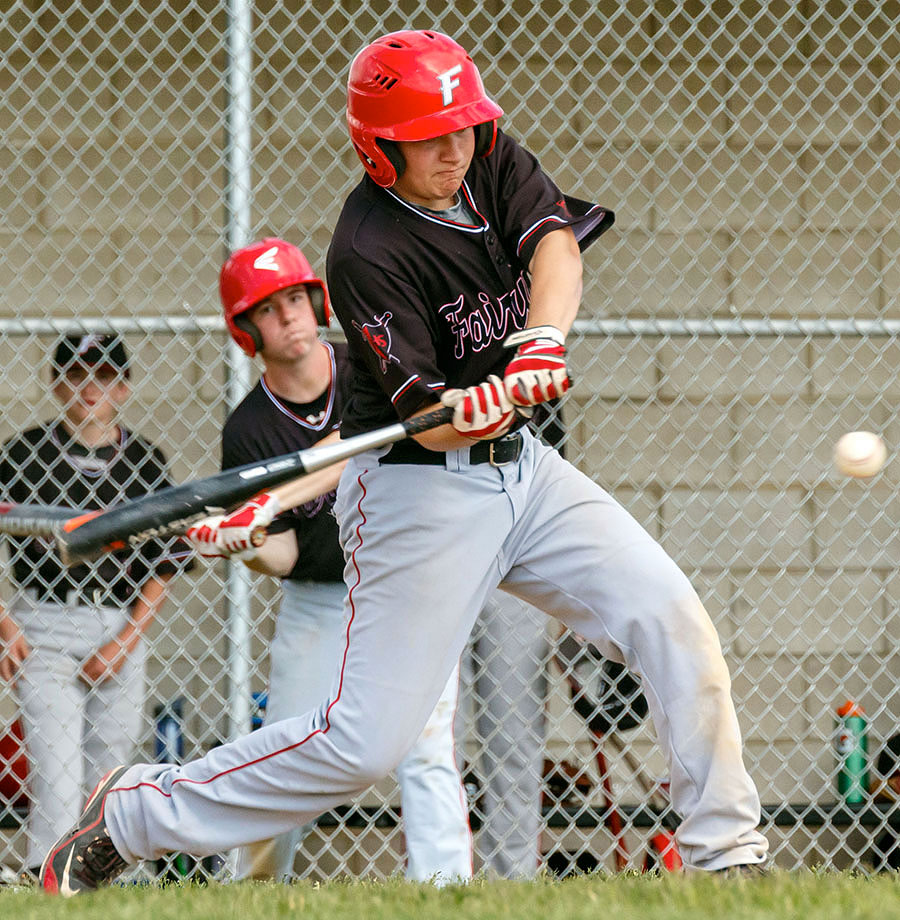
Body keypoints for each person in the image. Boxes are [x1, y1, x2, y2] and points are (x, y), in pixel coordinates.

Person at [40, 30, 768, 895]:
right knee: (365, 746)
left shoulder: (488, 157)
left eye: (463, 126)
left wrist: (538, 344)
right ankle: (134, 814)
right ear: (378, 149)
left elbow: (555, 248)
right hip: (419, 497)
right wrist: (466, 408)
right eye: (432, 135)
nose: (456, 147)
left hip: (527, 474)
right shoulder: (367, 252)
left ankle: (726, 855)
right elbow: (427, 428)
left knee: (670, 613)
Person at [183, 237, 472, 883]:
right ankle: (254, 890)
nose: (288, 316)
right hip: (319, 597)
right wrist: (246, 543)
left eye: (294, 298)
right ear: (247, 329)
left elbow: (352, 449)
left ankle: (446, 891)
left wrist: (262, 506)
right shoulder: (250, 429)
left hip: (406, 585)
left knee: (425, 747)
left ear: (317, 302)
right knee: (282, 747)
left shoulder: (370, 368)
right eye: (268, 308)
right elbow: (285, 554)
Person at [0, 334, 191, 879]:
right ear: (57, 385)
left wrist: (125, 641)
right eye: (77, 375)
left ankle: (111, 875)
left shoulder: (144, 460)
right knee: (56, 766)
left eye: (105, 376)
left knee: (111, 763)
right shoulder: (22, 452)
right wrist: (5, 623)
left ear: (124, 387)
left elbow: (166, 560)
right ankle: (48, 872)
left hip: (118, 621)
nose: (90, 387)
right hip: (42, 620)